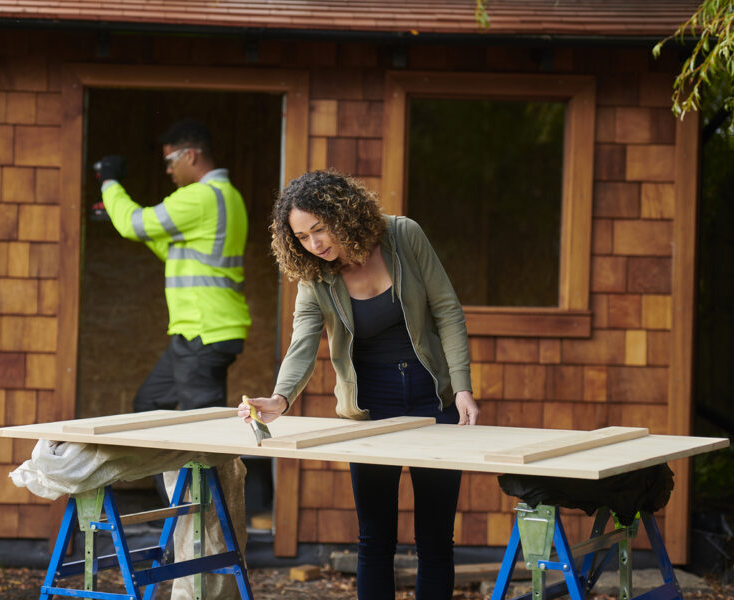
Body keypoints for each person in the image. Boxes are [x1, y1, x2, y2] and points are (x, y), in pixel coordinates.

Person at [239, 170, 479, 600]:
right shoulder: (315, 274)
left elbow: (447, 309)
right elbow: (303, 340)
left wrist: (461, 386)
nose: (314, 244)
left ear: (343, 214)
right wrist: (280, 398)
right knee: (374, 539)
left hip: (432, 396)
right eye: (302, 237)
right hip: (369, 408)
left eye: (319, 229)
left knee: (436, 539)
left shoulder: (403, 235)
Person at [96, 119, 251, 413]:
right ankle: (171, 462)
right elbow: (174, 250)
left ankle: (210, 462)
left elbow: (134, 224)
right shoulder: (228, 196)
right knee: (150, 404)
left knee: (202, 422)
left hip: (203, 329)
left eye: (170, 160)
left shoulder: (201, 197)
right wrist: (118, 216)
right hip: (206, 329)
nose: (167, 170)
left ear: (190, 155)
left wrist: (109, 183)